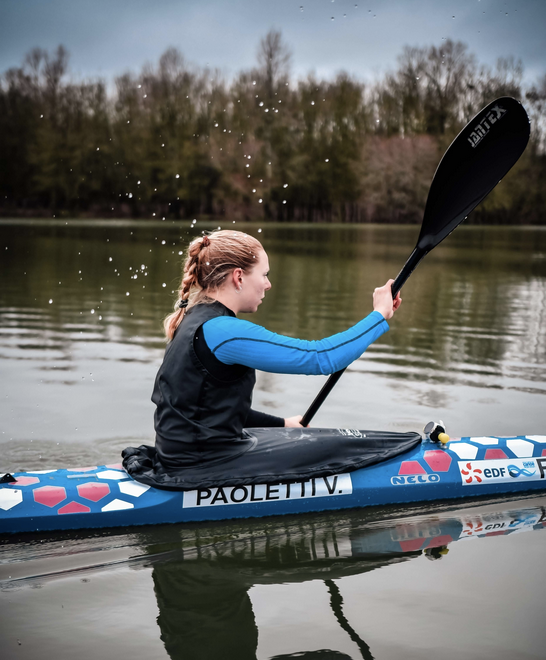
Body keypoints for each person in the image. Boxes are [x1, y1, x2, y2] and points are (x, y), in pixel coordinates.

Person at [152, 229, 401, 471]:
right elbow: (321, 358)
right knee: (344, 448)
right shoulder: (224, 332)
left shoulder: (190, 319)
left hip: (179, 457)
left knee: (318, 440)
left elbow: (213, 411)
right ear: (238, 277)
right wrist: (379, 314)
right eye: (264, 275)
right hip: (203, 466)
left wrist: (283, 425)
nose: (268, 284)